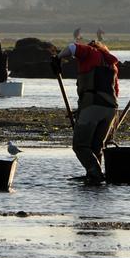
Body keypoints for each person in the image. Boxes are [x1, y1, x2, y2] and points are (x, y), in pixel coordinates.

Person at [53, 40, 119, 184]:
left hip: (92, 106)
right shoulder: (111, 65)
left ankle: (96, 173)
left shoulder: (91, 52)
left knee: (80, 146)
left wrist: (58, 58)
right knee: (96, 146)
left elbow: (72, 47)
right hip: (110, 109)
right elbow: (116, 92)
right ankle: (94, 177)